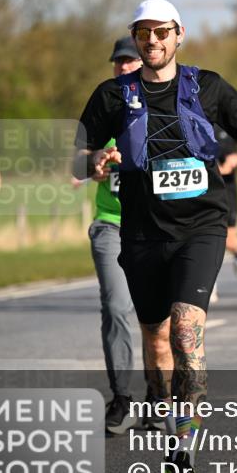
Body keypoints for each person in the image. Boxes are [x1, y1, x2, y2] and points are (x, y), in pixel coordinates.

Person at [74, 0, 237, 473]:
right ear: (136, 38)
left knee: (186, 330)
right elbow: (78, 160)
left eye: (162, 32)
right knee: (157, 340)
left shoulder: (208, 87)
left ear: (179, 34)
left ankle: (183, 452)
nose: (153, 41)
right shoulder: (113, 95)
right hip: (141, 234)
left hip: (202, 227)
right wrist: (95, 162)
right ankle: (164, 421)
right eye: (144, 33)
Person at [85, 37, 141, 434]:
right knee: (117, 307)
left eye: (130, 61)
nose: (123, 67)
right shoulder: (105, 109)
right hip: (111, 223)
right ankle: (122, 398)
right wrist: (95, 163)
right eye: (118, 62)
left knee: (165, 317)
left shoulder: (163, 109)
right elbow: (79, 158)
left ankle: (162, 398)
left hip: (157, 227)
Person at [210, 124, 237, 304]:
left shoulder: (228, 119)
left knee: (228, 239)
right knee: (207, 237)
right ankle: (210, 286)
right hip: (205, 187)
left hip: (227, 187)